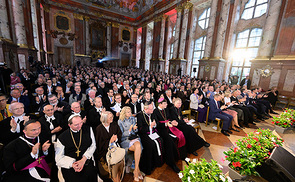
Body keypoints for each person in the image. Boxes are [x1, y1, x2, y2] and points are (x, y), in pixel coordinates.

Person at [55, 115, 98, 182]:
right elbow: (58, 158)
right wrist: (73, 164)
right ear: (69, 125)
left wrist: (83, 160)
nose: (80, 126)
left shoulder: (88, 129)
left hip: (86, 160)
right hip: (71, 164)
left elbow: (93, 145)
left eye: (81, 123)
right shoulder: (62, 137)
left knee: (91, 173)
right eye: (76, 125)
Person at [153, 98, 182, 173]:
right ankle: (171, 163)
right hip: (161, 130)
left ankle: (179, 156)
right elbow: (157, 124)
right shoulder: (155, 111)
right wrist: (165, 124)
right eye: (165, 103)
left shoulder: (166, 109)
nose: (166, 105)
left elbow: (169, 118)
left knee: (179, 135)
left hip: (169, 127)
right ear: (160, 104)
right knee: (169, 140)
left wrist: (172, 122)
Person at [136, 102, 164, 175]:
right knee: (151, 145)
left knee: (160, 140)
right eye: (151, 109)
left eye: (153, 108)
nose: (152, 110)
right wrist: (150, 127)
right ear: (146, 109)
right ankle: (149, 167)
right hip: (144, 134)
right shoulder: (140, 115)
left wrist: (154, 125)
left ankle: (157, 162)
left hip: (153, 133)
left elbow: (156, 122)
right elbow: (140, 129)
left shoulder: (153, 113)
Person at [96, 111, 124, 182]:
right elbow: (99, 144)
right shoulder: (99, 129)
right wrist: (109, 142)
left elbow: (119, 134)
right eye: (110, 118)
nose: (112, 118)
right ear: (105, 119)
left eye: (112, 117)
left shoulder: (114, 124)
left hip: (116, 148)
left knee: (120, 163)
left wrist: (116, 138)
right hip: (105, 152)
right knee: (114, 168)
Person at [118, 107, 143, 181]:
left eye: (130, 112)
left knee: (138, 145)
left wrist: (135, 129)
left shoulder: (133, 119)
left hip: (134, 138)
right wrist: (129, 130)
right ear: (124, 113)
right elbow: (121, 135)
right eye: (128, 112)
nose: (130, 113)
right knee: (138, 148)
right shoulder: (120, 121)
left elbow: (136, 131)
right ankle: (137, 170)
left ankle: (135, 170)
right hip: (126, 140)